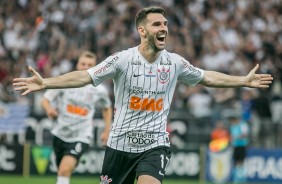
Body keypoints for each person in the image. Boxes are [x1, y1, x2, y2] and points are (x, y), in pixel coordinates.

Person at [13, 6, 273, 184]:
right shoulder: (122, 60)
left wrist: (243, 81)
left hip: (154, 145)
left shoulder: (175, 63)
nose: (165, 28)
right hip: (119, 146)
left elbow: (207, 77)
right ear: (142, 30)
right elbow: (85, 76)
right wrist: (45, 83)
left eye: (166, 24)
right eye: (157, 24)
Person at [41, 51, 113, 184]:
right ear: (77, 65)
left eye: (89, 65)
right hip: (60, 134)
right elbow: (45, 99)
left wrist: (107, 130)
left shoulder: (99, 89)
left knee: (64, 170)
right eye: (83, 64)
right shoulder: (65, 82)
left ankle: (74, 160)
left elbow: (107, 107)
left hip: (81, 135)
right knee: (61, 172)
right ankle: (74, 162)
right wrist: (49, 109)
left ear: (94, 67)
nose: (85, 67)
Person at [229, 111, 249, 183]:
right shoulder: (232, 126)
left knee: (241, 161)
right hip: (235, 146)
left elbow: (244, 135)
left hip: (241, 145)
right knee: (236, 161)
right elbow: (232, 137)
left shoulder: (243, 125)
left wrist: (236, 137)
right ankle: (236, 178)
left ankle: (242, 178)